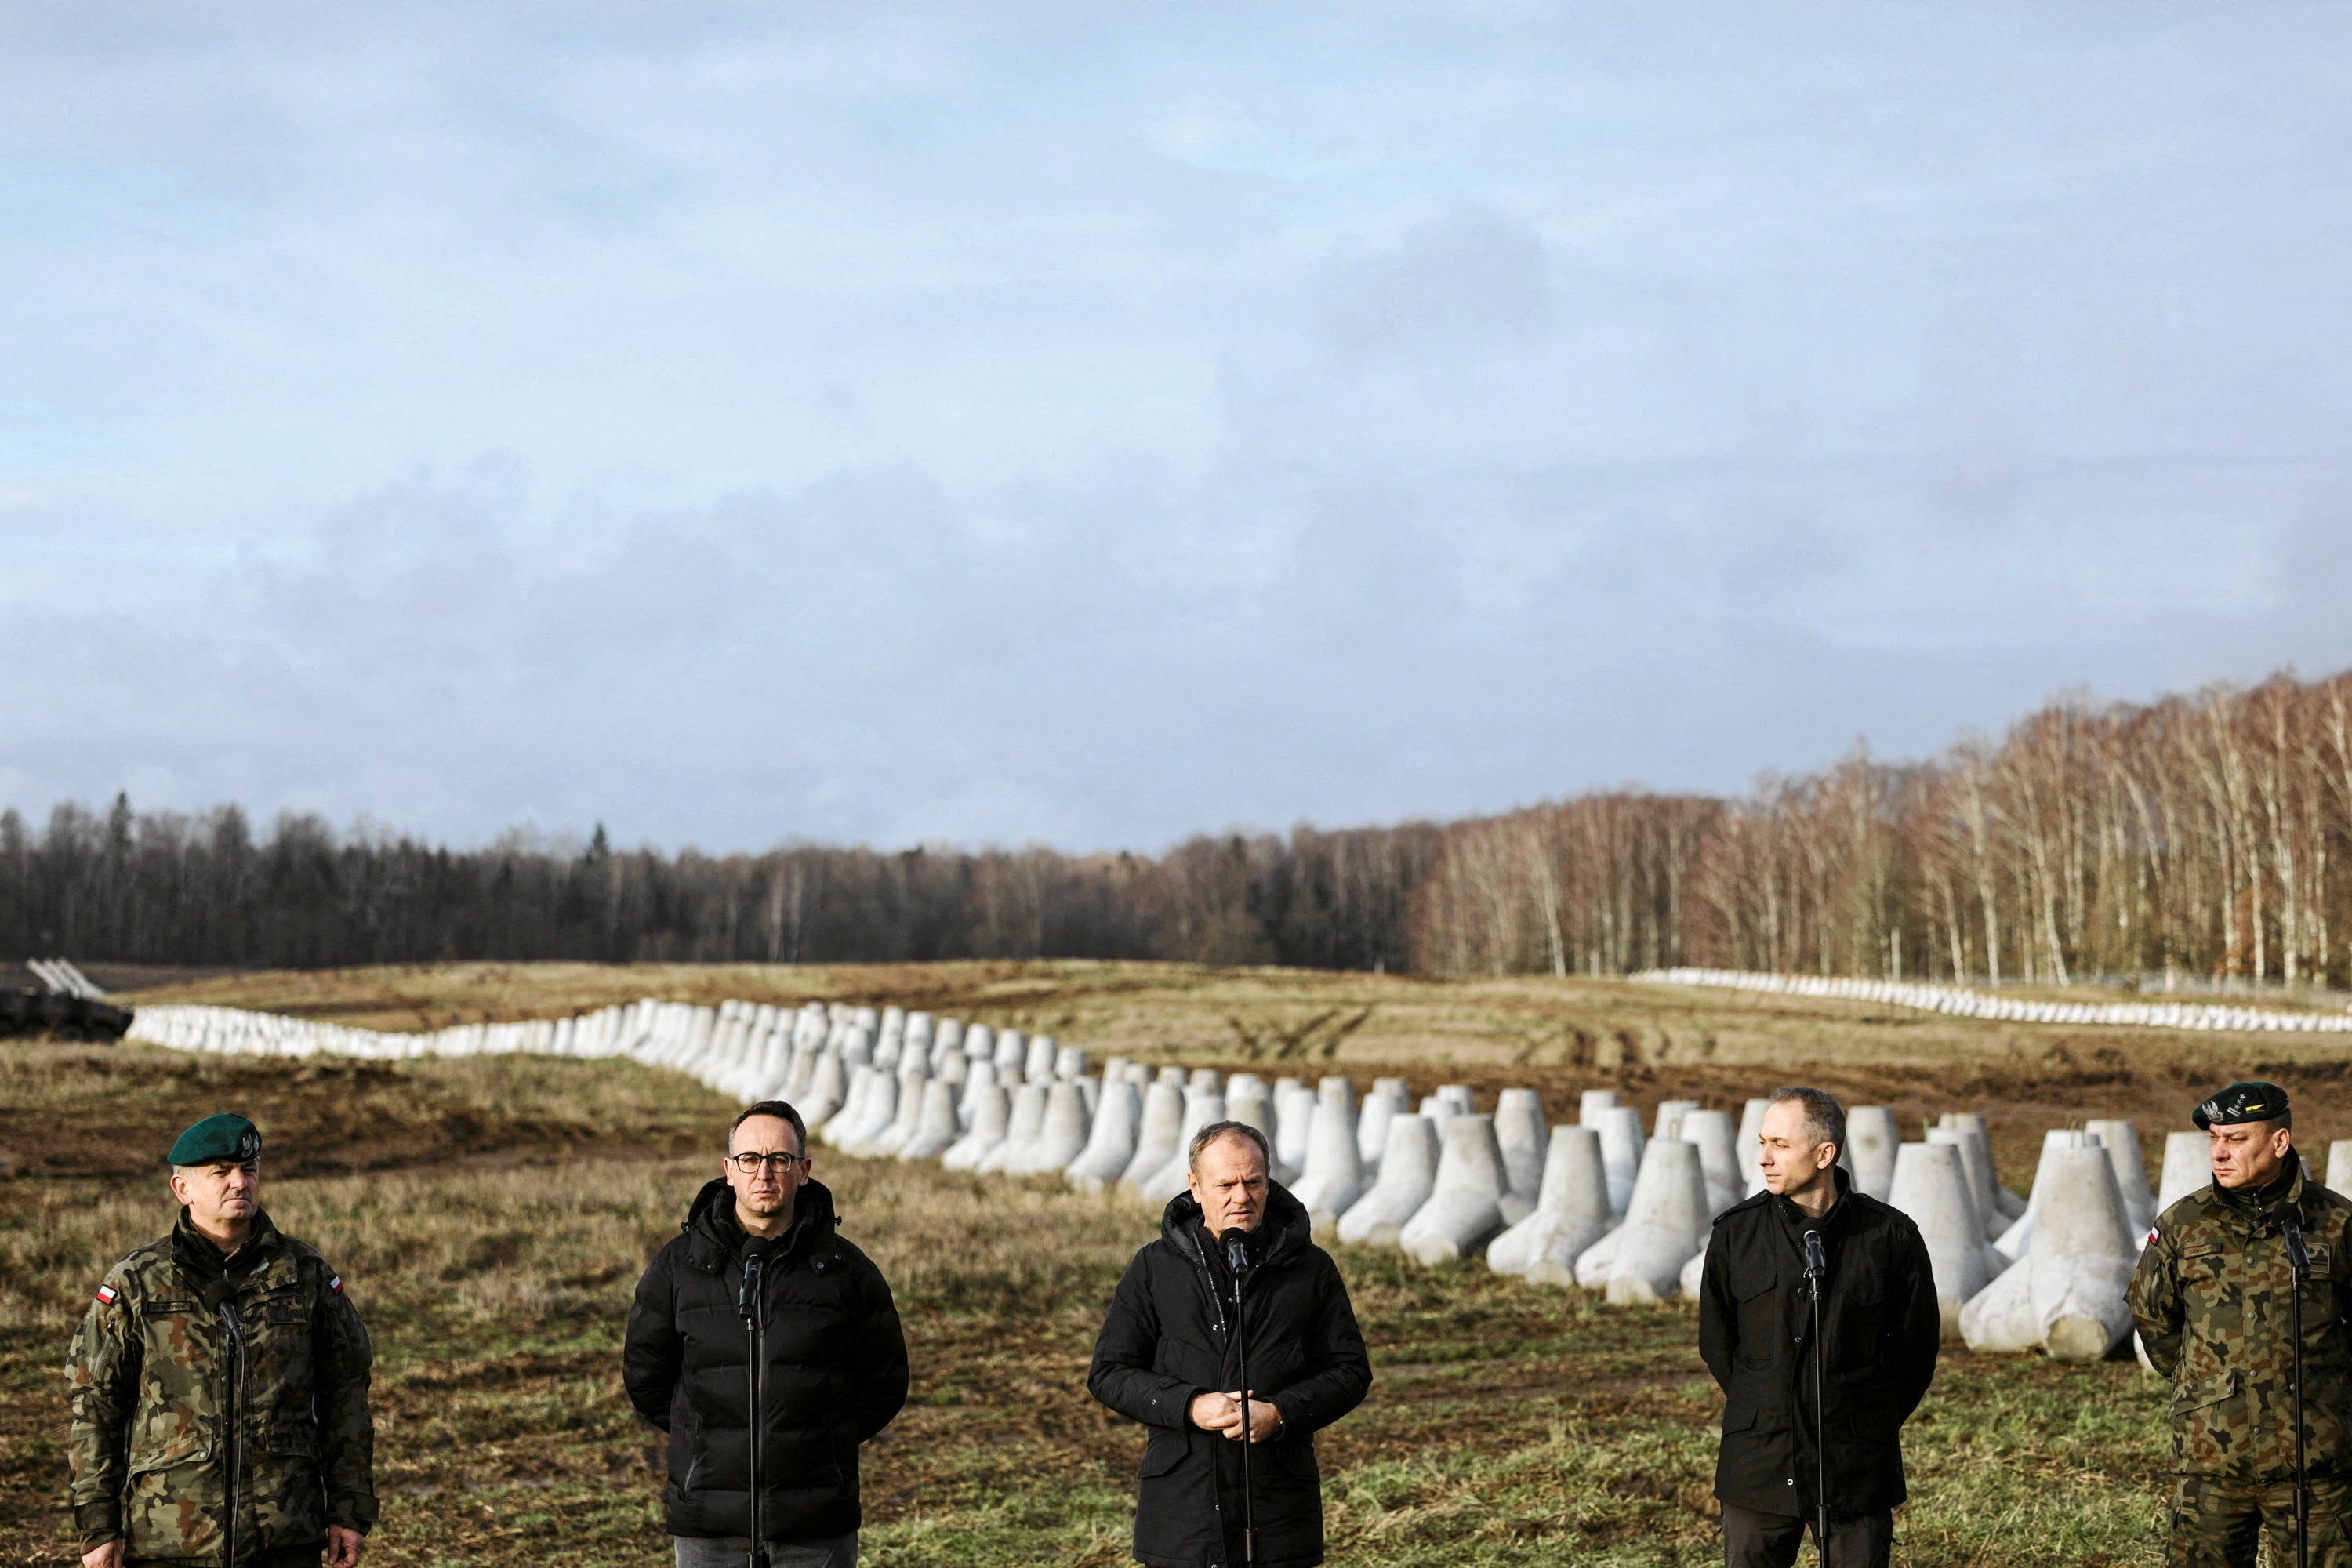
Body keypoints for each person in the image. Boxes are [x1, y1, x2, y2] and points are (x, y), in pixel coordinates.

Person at [65, 1112, 377, 1568]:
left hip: (284, 1536)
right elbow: (96, 1404)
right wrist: (98, 1525)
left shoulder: (304, 1273)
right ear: (182, 1189)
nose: (240, 1183)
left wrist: (349, 1510)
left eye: (248, 1170)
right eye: (221, 1173)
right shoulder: (138, 1281)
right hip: (170, 1538)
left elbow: (345, 1397)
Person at [624, 1099, 908, 1568]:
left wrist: (822, 1445)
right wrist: (704, 1444)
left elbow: (885, 1381)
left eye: (780, 1159)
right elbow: (646, 1377)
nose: (764, 1174)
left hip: (815, 1525)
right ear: (728, 1170)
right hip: (709, 1523)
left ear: (804, 1171)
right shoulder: (679, 1268)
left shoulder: (845, 1270)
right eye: (750, 1159)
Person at [1089, 1120, 1372, 1568]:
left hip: (1279, 1510)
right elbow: (1109, 1373)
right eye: (1225, 1184)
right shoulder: (1153, 1268)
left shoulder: (1312, 1268)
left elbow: (1350, 1371)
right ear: (1195, 1186)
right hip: (1185, 1515)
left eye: (1253, 1182)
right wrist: (1188, 1405)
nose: (1241, 1196)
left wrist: (1281, 1413)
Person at [1698, 1087, 1940, 1568]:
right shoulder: (1735, 1233)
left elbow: (1915, 1352)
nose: (1764, 1158)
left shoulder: (1890, 1237)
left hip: (1855, 1466)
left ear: (1824, 1153)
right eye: (1763, 1142)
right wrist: (1768, 1405)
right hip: (1760, 1464)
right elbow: (1717, 1342)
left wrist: (1861, 1420)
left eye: (1780, 1145)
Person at [2129, 1080, 2352, 1567]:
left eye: (2236, 1140)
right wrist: (2205, 1386)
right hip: (2215, 1460)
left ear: (2279, 1142)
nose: (2219, 1153)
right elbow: (2151, 1312)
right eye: (2214, 1139)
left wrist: (2327, 1396)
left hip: (2315, 1465)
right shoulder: (2184, 1224)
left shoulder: (2335, 1221)